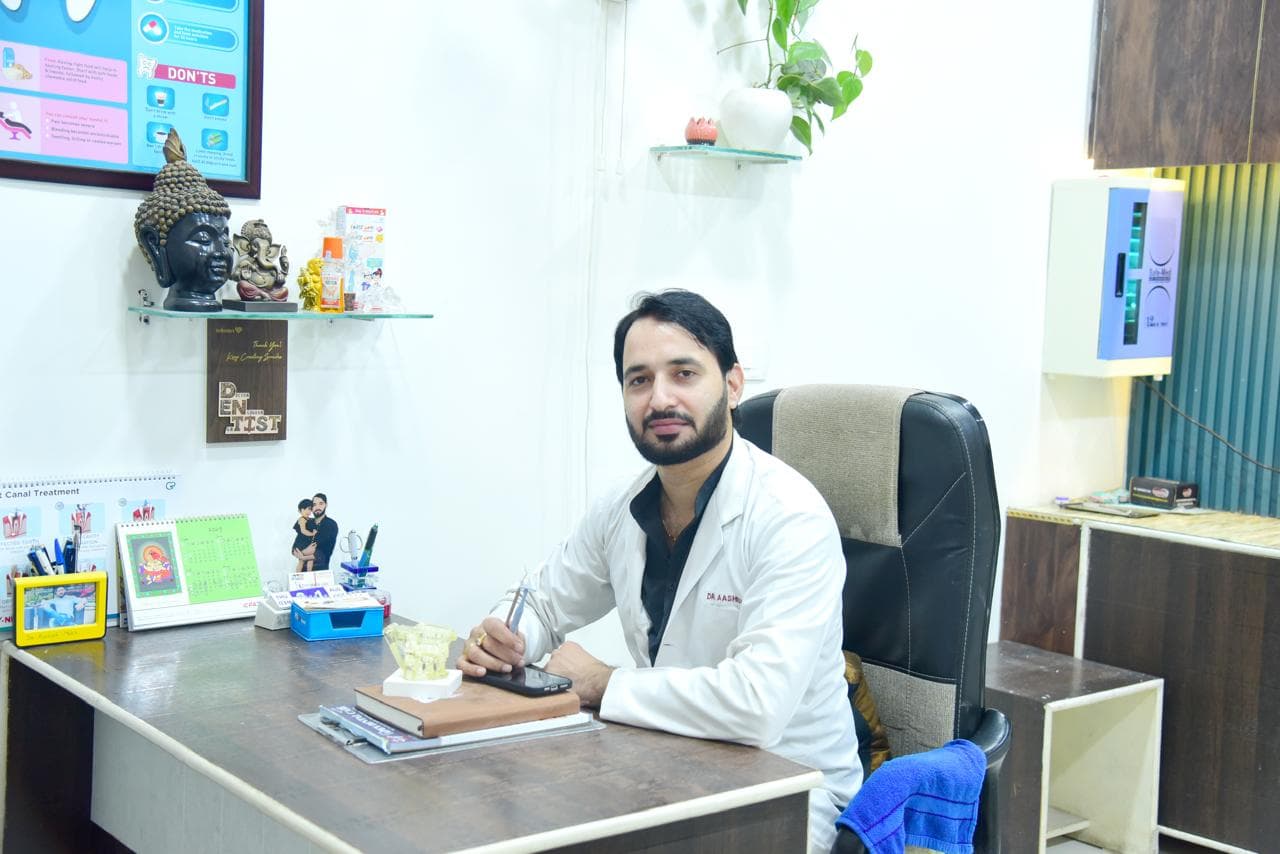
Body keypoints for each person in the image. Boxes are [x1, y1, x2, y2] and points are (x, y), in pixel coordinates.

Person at [459, 290, 860, 853]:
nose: (660, 399)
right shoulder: (624, 507)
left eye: (684, 373)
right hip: (666, 762)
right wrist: (503, 637)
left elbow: (757, 705)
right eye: (639, 380)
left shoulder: (788, 517)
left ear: (734, 383)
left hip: (788, 790)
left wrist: (603, 683)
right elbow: (546, 602)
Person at [309, 493, 338, 570]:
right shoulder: (307, 523)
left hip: (321, 572)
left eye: (321, 504)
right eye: (314, 504)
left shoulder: (331, 524)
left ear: (326, 505)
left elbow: (319, 548)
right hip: (303, 572)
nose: (317, 507)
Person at [292, 498, 317, 571]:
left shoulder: (311, 520)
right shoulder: (302, 519)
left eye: (309, 509)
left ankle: (309, 574)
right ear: (300, 511)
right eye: (304, 509)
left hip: (307, 544)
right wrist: (312, 534)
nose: (307, 511)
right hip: (300, 545)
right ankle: (298, 576)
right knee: (303, 560)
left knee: (309, 560)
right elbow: (303, 531)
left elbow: (315, 527)